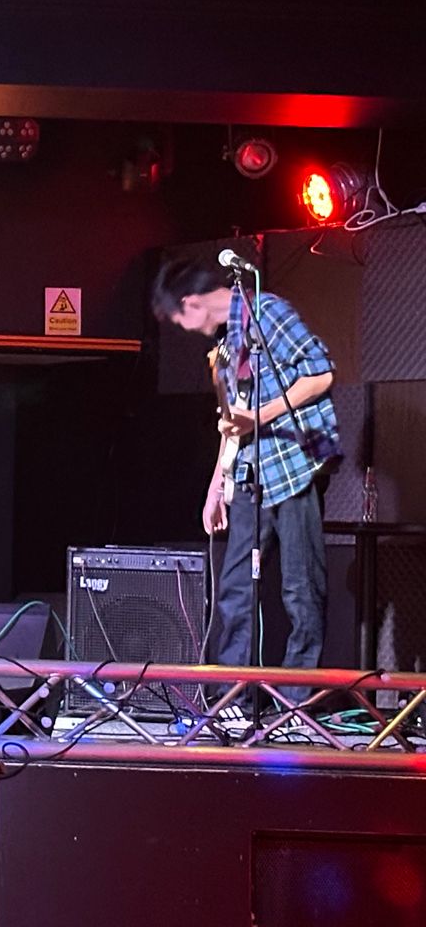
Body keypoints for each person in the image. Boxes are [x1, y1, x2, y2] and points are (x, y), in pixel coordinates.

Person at [152, 257, 341, 686]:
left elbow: (321, 374)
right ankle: (233, 695)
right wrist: (216, 487)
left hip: (293, 467)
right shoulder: (226, 343)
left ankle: (298, 698)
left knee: (300, 589)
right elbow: (232, 422)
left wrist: (260, 416)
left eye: (180, 320)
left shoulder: (268, 312)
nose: (185, 329)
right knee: (236, 588)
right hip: (251, 476)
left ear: (192, 303)